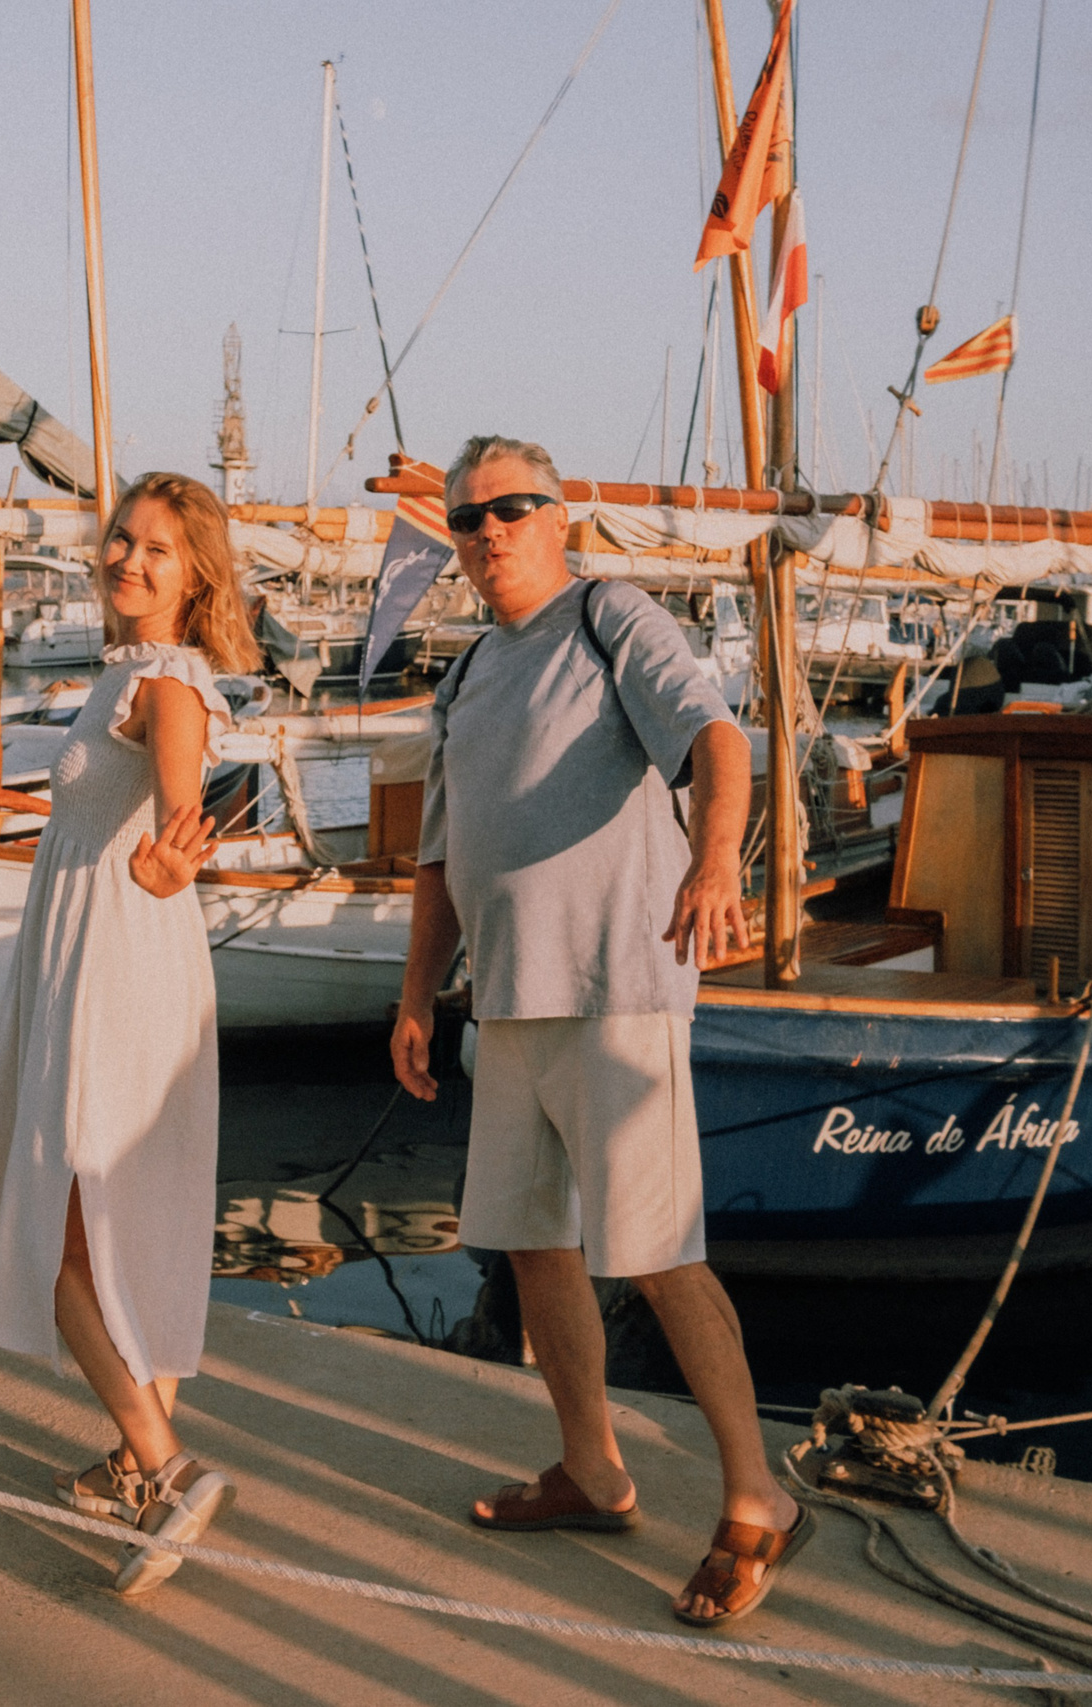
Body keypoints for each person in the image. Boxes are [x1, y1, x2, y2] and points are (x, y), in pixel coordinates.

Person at [391, 435, 809, 1628]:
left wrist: (718, 854)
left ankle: (754, 1501)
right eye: (465, 518)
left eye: (509, 508)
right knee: (531, 1242)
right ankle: (592, 1467)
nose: (486, 531)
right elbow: (437, 855)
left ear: (558, 514)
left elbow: (716, 739)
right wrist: (418, 995)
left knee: (659, 1253)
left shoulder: (607, 616)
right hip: (508, 995)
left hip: (617, 983)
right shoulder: (467, 674)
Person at [0, 471, 261, 1597]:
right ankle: (138, 1462)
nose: (129, 560)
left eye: (158, 550)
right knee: (125, 1218)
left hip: (113, 965)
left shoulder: (166, 683)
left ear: (195, 574)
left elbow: (184, 804)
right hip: (94, 953)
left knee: (63, 1226)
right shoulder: (130, 673)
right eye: (122, 539)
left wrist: (177, 855)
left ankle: (168, 1468)